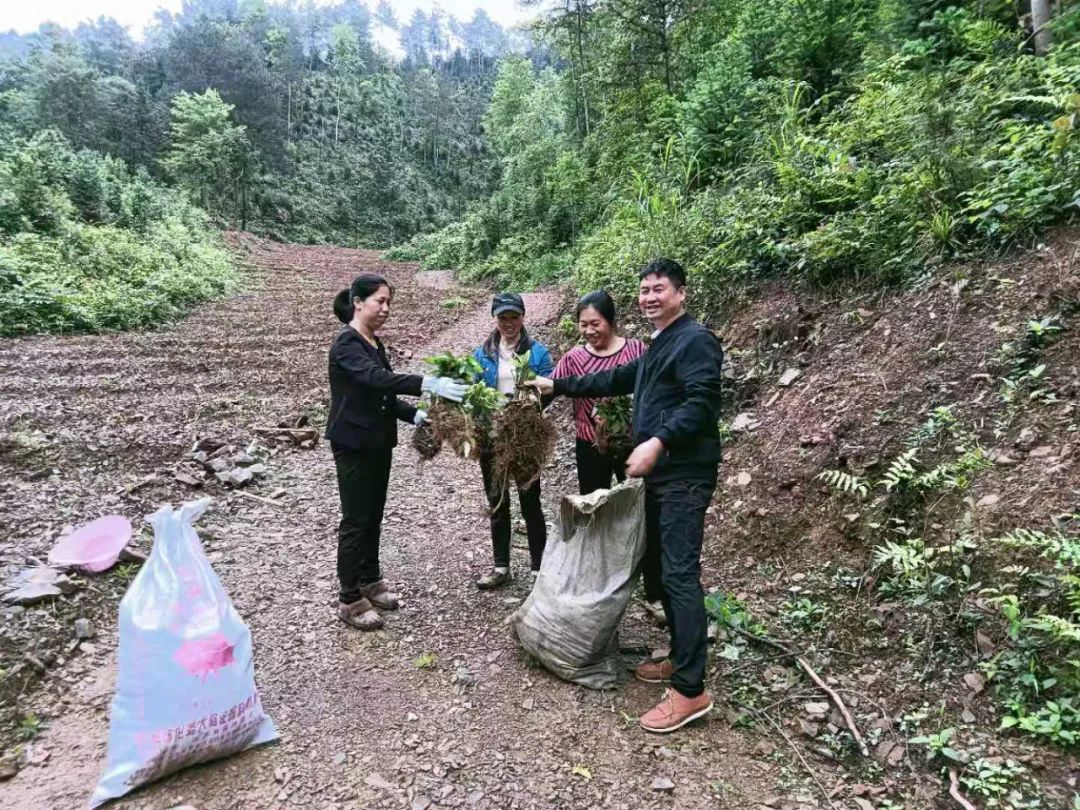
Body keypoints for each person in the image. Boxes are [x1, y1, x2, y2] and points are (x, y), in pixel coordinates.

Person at [526, 258, 724, 734]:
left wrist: (657, 442)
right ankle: (679, 660)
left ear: (680, 294)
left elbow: (702, 401)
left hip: (684, 474)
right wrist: (559, 384)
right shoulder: (660, 344)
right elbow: (614, 379)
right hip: (664, 476)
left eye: (659, 289)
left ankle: (692, 690)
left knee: (678, 574)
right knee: (663, 563)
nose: (650, 297)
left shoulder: (695, 341)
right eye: (644, 290)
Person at [327, 273, 469, 630]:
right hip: (353, 444)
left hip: (377, 442)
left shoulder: (374, 344)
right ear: (358, 302)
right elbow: (375, 380)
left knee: (374, 514)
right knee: (355, 519)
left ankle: (370, 580)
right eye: (380, 301)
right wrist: (426, 384)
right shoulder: (347, 343)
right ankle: (349, 598)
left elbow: (383, 397)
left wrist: (414, 414)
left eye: (389, 302)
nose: (386, 308)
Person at [471, 292, 555, 590]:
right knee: (497, 501)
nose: (509, 323)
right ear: (495, 319)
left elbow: (551, 388)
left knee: (530, 502)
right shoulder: (482, 354)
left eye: (514, 317)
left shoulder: (539, 353)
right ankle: (500, 566)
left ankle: (538, 569)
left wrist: (532, 402)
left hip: (524, 438)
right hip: (492, 437)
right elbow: (473, 389)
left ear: (522, 317)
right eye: (503, 317)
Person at [552, 290, 648, 495]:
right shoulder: (573, 358)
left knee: (637, 500)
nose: (589, 331)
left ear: (611, 321)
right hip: (590, 444)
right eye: (583, 324)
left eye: (595, 324)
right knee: (593, 504)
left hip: (631, 441)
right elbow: (550, 387)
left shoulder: (636, 350)